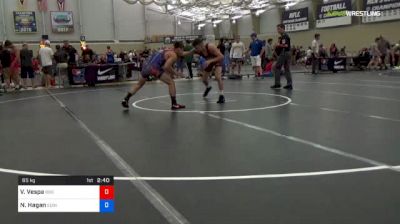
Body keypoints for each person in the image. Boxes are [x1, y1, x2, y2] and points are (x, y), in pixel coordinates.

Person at [121, 42, 186, 110]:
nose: (182, 52)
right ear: (178, 49)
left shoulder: (167, 50)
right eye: (182, 50)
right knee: (171, 82)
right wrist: (176, 73)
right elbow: (167, 67)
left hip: (146, 66)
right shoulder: (173, 54)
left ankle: (126, 99)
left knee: (139, 84)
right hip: (154, 68)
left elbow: (165, 63)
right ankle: (174, 104)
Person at [192, 38, 225, 104]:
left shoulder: (210, 47)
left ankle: (222, 95)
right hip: (209, 62)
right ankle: (208, 87)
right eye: (195, 48)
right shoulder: (198, 50)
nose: (196, 50)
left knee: (217, 77)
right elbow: (188, 52)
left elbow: (221, 56)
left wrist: (210, 61)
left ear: (201, 45)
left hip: (217, 60)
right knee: (204, 80)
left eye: (197, 48)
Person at [271, 24, 293, 90]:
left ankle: (277, 83)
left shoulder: (284, 36)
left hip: (284, 53)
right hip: (287, 53)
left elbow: (285, 45)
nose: (278, 30)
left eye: (279, 29)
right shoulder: (284, 36)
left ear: (283, 28)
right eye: (277, 29)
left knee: (277, 67)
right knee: (287, 69)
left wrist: (278, 45)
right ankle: (289, 84)